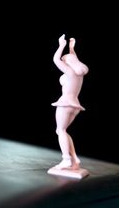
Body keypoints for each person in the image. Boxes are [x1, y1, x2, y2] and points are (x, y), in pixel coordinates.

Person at [51, 34, 88, 170]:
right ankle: (74, 158)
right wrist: (71, 48)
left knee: (60, 130)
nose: (63, 61)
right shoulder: (79, 74)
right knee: (63, 130)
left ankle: (66, 159)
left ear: (67, 63)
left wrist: (61, 45)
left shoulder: (70, 72)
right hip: (75, 106)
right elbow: (73, 58)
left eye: (64, 60)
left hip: (66, 103)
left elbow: (55, 59)